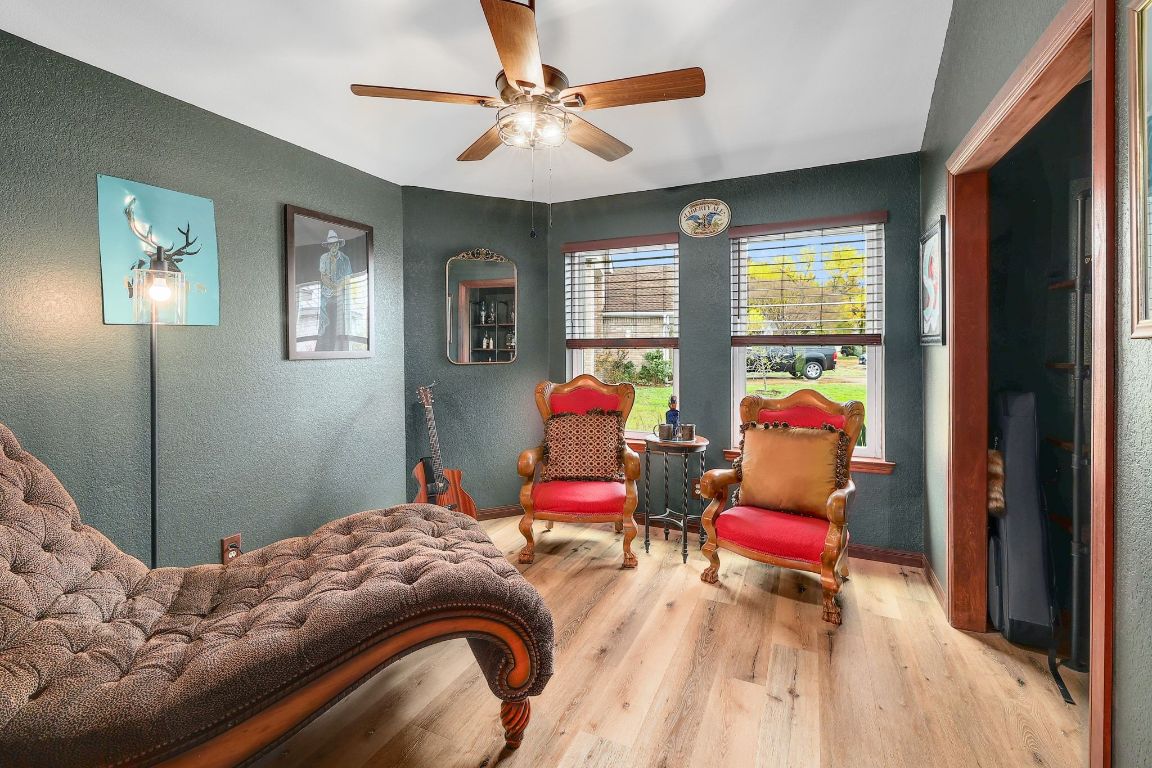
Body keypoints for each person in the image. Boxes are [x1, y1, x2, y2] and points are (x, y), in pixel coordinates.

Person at [317, 229, 352, 341]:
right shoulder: (323, 258)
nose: (333, 247)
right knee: (321, 305)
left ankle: (344, 333)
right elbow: (323, 277)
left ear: (338, 245)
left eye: (335, 244)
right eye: (331, 244)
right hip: (327, 289)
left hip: (340, 289)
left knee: (344, 308)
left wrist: (338, 288)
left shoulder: (345, 259)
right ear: (328, 246)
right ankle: (323, 325)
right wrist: (332, 287)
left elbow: (347, 278)